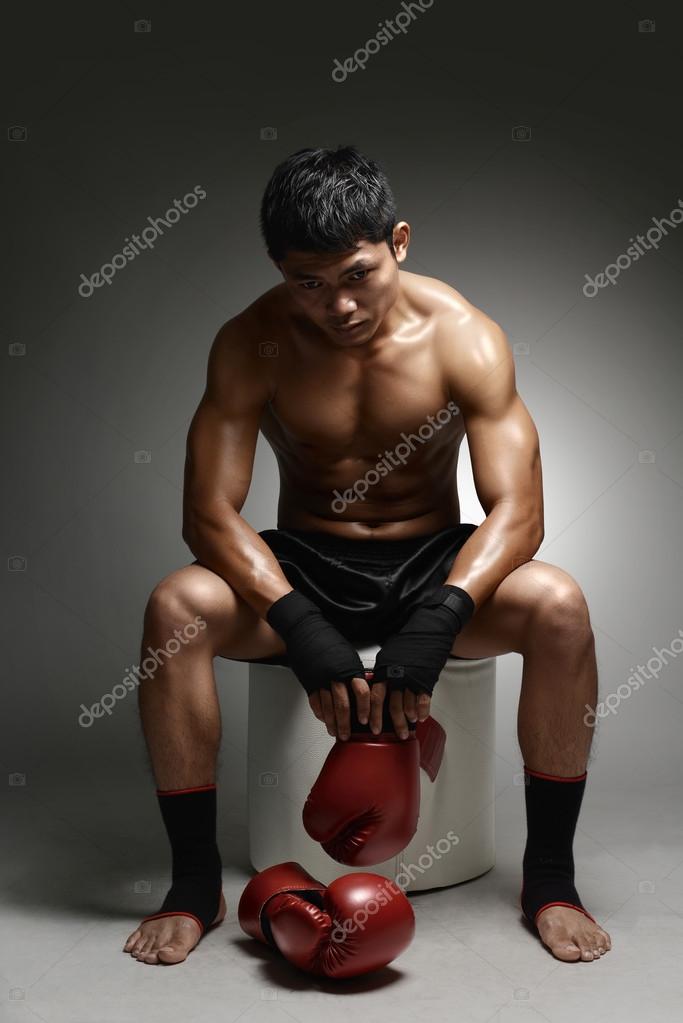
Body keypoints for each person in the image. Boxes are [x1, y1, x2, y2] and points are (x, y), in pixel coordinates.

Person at [123, 145, 611, 966]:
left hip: (434, 562)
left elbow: (518, 512)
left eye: (356, 274)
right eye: (307, 283)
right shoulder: (251, 341)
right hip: (303, 564)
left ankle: (551, 881)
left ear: (399, 242)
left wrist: (443, 614)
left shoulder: (465, 336)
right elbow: (207, 513)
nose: (337, 305)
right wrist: (297, 622)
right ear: (280, 271)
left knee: (558, 603)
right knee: (175, 605)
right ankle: (192, 882)